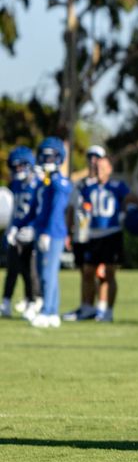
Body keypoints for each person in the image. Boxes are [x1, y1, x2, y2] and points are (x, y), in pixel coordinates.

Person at [71, 155, 130, 323]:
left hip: (111, 233)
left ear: (110, 169)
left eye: (103, 168)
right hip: (93, 234)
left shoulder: (117, 186)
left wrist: (127, 213)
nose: (99, 171)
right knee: (88, 271)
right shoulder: (88, 187)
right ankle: (89, 308)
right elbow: (81, 206)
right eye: (97, 168)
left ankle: (107, 310)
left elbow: (130, 199)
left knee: (109, 274)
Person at [30, 137, 71, 329]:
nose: (46, 160)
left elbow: (57, 209)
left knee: (48, 273)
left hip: (53, 233)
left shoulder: (59, 181)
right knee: (45, 272)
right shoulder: (44, 181)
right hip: (41, 230)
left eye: (51, 156)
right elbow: (36, 208)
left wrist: (47, 232)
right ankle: (53, 311)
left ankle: (47, 310)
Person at [62, 145, 104, 321]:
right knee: (84, 272)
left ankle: (101, 308)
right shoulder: (79, 185)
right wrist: (68, 232)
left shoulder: (104, 184)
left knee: (98, 272)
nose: (93, 161)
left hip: (99, 234)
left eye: (97, 157)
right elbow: (71, 209)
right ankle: (86, 306)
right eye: (90, 157)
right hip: (81, 233)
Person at [2, 146, 41, 319]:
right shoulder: (16, 184)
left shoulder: (38, 184)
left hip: (32, 233)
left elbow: (39, 210)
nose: (17, 170)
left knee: (29, 270)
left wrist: (32, 227)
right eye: (15, 166)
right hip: (16, 232)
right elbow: (13, 210)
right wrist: (12, 228)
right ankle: (6, 302)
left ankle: (32, 301)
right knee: (12, 268)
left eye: (21, 166)